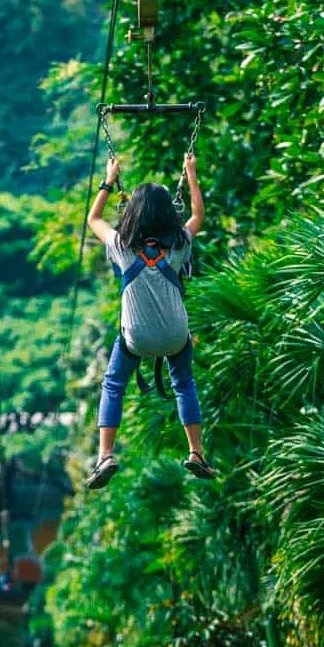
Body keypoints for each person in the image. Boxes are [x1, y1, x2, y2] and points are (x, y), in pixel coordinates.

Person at [85, 152, 216, 490]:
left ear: (132, 214)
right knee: (184, 383)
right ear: (168, 215)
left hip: (137, 339)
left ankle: (105, 455)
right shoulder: (179, 244)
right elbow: (198, 214)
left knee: (114, 385)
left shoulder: (120, 245)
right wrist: (190, 172)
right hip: (175, 336)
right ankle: (196, 451)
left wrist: (109, 179)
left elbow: (94, 218)